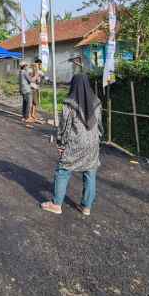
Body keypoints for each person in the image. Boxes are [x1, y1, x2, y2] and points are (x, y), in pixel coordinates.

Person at [40, 74, 104, 216]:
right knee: (90, 172)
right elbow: (99, 124)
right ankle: (86, 207)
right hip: (93, 143)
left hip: (75, 143)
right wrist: (99, 140)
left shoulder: (70, 103)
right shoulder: (97, 102)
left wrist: (61, 143)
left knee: (63, 171)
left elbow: (65, 126)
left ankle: (56, 204)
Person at [30, 59, 43, 123]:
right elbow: (34, 80)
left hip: (36, 87)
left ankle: (33, 114)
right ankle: (32, 114)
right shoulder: (34, 70)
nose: (41, 66)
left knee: (35, 102)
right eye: (40, 64)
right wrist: (38, 75)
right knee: (34, 102)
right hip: (33, 87)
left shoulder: (36, 70)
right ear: (38, 64)